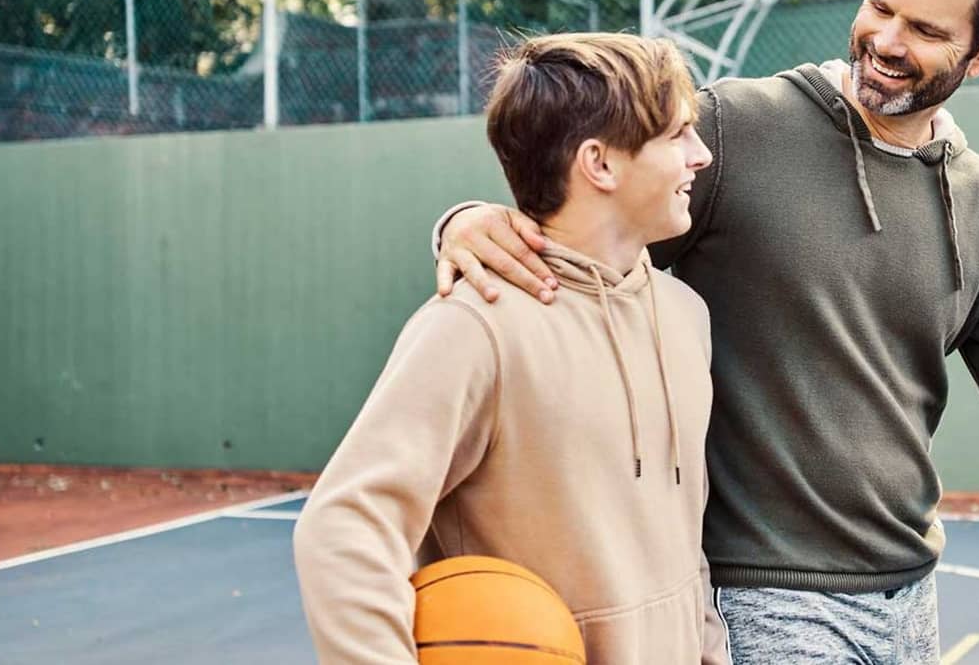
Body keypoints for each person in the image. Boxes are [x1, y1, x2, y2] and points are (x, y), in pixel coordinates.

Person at [433, 0, 979, 665]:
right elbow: (580, 202)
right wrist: (468, 217)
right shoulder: (734, 130)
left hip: (912, 603)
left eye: (926, 30)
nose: (886, 39)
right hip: (762, 598)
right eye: (881, 6)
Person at [295, 33, 729, 664]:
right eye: (678, 135)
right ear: (599, 164)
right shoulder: (475, 326)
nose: (702, 156)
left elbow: (683, 547)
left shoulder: (686, 316)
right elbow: (343, 530)